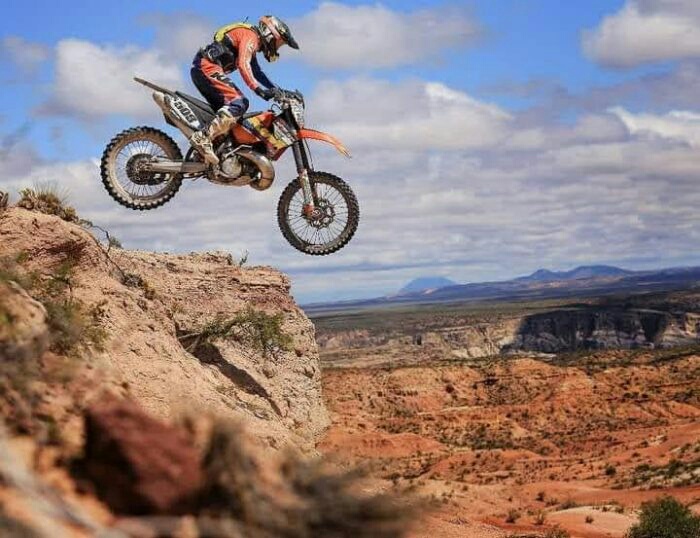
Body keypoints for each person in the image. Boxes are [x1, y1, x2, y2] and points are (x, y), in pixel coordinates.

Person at [190, 16, 299, 166]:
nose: (276, 48)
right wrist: (258, 90)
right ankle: (202, 137)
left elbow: (257, 73)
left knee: (231, 117)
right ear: (270, 34)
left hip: (205, 68)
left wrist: (279, 91)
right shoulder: (250, 37)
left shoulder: (252, 41)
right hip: (206, 67)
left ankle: (205, 154)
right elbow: (243, 64)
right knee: (239, 103)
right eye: (278, 43)